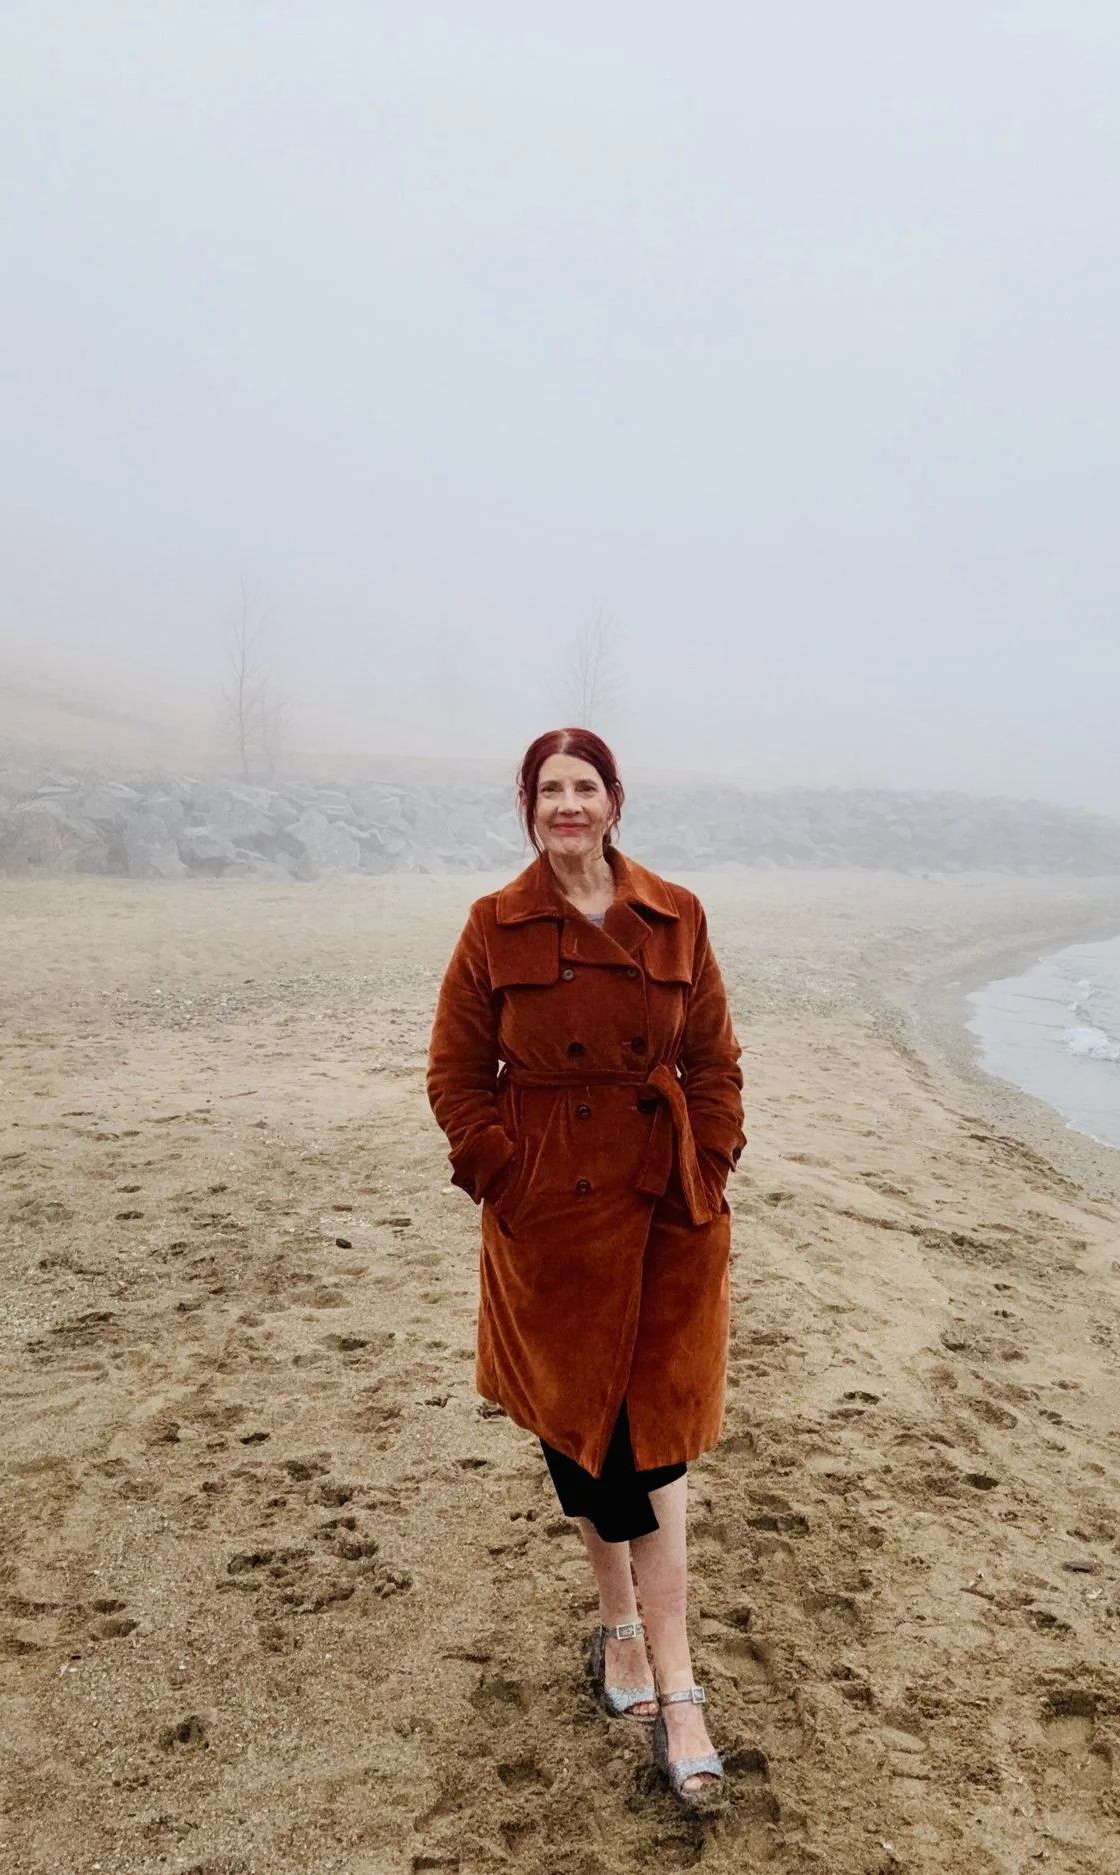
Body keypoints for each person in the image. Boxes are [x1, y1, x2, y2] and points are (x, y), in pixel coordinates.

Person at [425, 727, 744, 1810]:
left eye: (585, 786)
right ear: (529, 807)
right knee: (582, 1437)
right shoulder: (493, 923)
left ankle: (679, 1687)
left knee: (657, 1447)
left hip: (665, 1212)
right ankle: (617, 1630)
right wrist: (503, 1177)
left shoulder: (676, 913)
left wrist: (709, 1163)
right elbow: (456, 1073)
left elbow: (713, 1059)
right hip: (552, 1219)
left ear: (614, 801)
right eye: (548, 788)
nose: (567, 804)